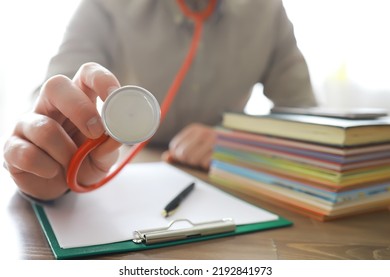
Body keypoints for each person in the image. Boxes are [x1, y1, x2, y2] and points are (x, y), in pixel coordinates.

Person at [3, 0, 317, 201]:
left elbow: (308, 121)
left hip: (223, 180)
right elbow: (56, 91)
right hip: (128, 173)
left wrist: (239, 142)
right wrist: (44, 147)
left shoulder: (268, 11)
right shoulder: (105, 6)